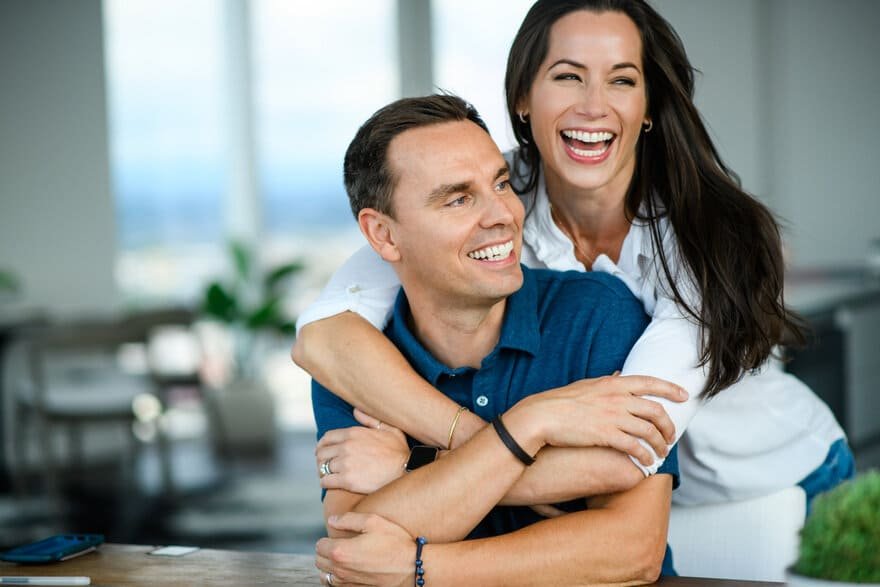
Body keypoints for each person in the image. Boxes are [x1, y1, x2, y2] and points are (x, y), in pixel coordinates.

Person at [296, 0, 852, 508]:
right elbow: (324, 339)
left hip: (780, 482)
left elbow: (622, 455)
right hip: (618, 503)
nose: (594, 106)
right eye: (567, 77)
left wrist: (418, 465)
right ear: (521, 98)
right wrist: (489, 440)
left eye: (622, 80)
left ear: (648, 105)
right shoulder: (487, 195)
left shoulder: (705, 241)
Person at [313, 93, 683, 586]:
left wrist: (413, 498)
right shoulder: (359, 360)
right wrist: (531, 423)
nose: (503, 215)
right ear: (383, 235)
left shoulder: (598, 314)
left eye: (501, 183)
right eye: (459, 198)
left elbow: (631, 550)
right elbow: (354, 550)